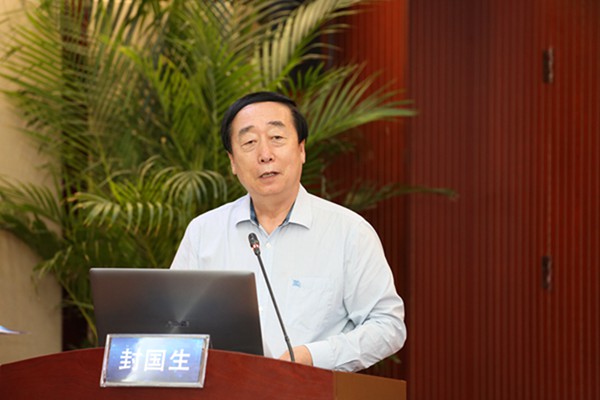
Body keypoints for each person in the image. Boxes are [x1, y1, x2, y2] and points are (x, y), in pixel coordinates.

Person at [170, 91, 406, 372]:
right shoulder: (203, 232)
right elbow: (173, 322)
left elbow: (388, 326)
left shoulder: (350, 232)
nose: (265, 155)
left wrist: (313, 356)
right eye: (249, 142)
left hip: (311, 387)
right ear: (232, 161)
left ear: (301, 150)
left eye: (277, 138)